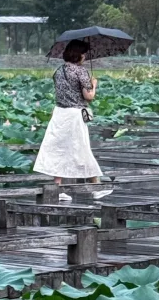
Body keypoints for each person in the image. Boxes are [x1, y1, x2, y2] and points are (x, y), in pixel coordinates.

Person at [33, 40, 110, 201]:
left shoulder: (58, 71)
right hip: (75, 116)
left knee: (60, 149)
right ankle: (96, 187)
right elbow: (88, 97)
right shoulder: (81, 72)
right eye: (84, 53)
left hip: (60, 114)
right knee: (81, 149)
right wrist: (94, 85)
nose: (85, 57)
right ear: (79, 54)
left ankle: (57, 189)